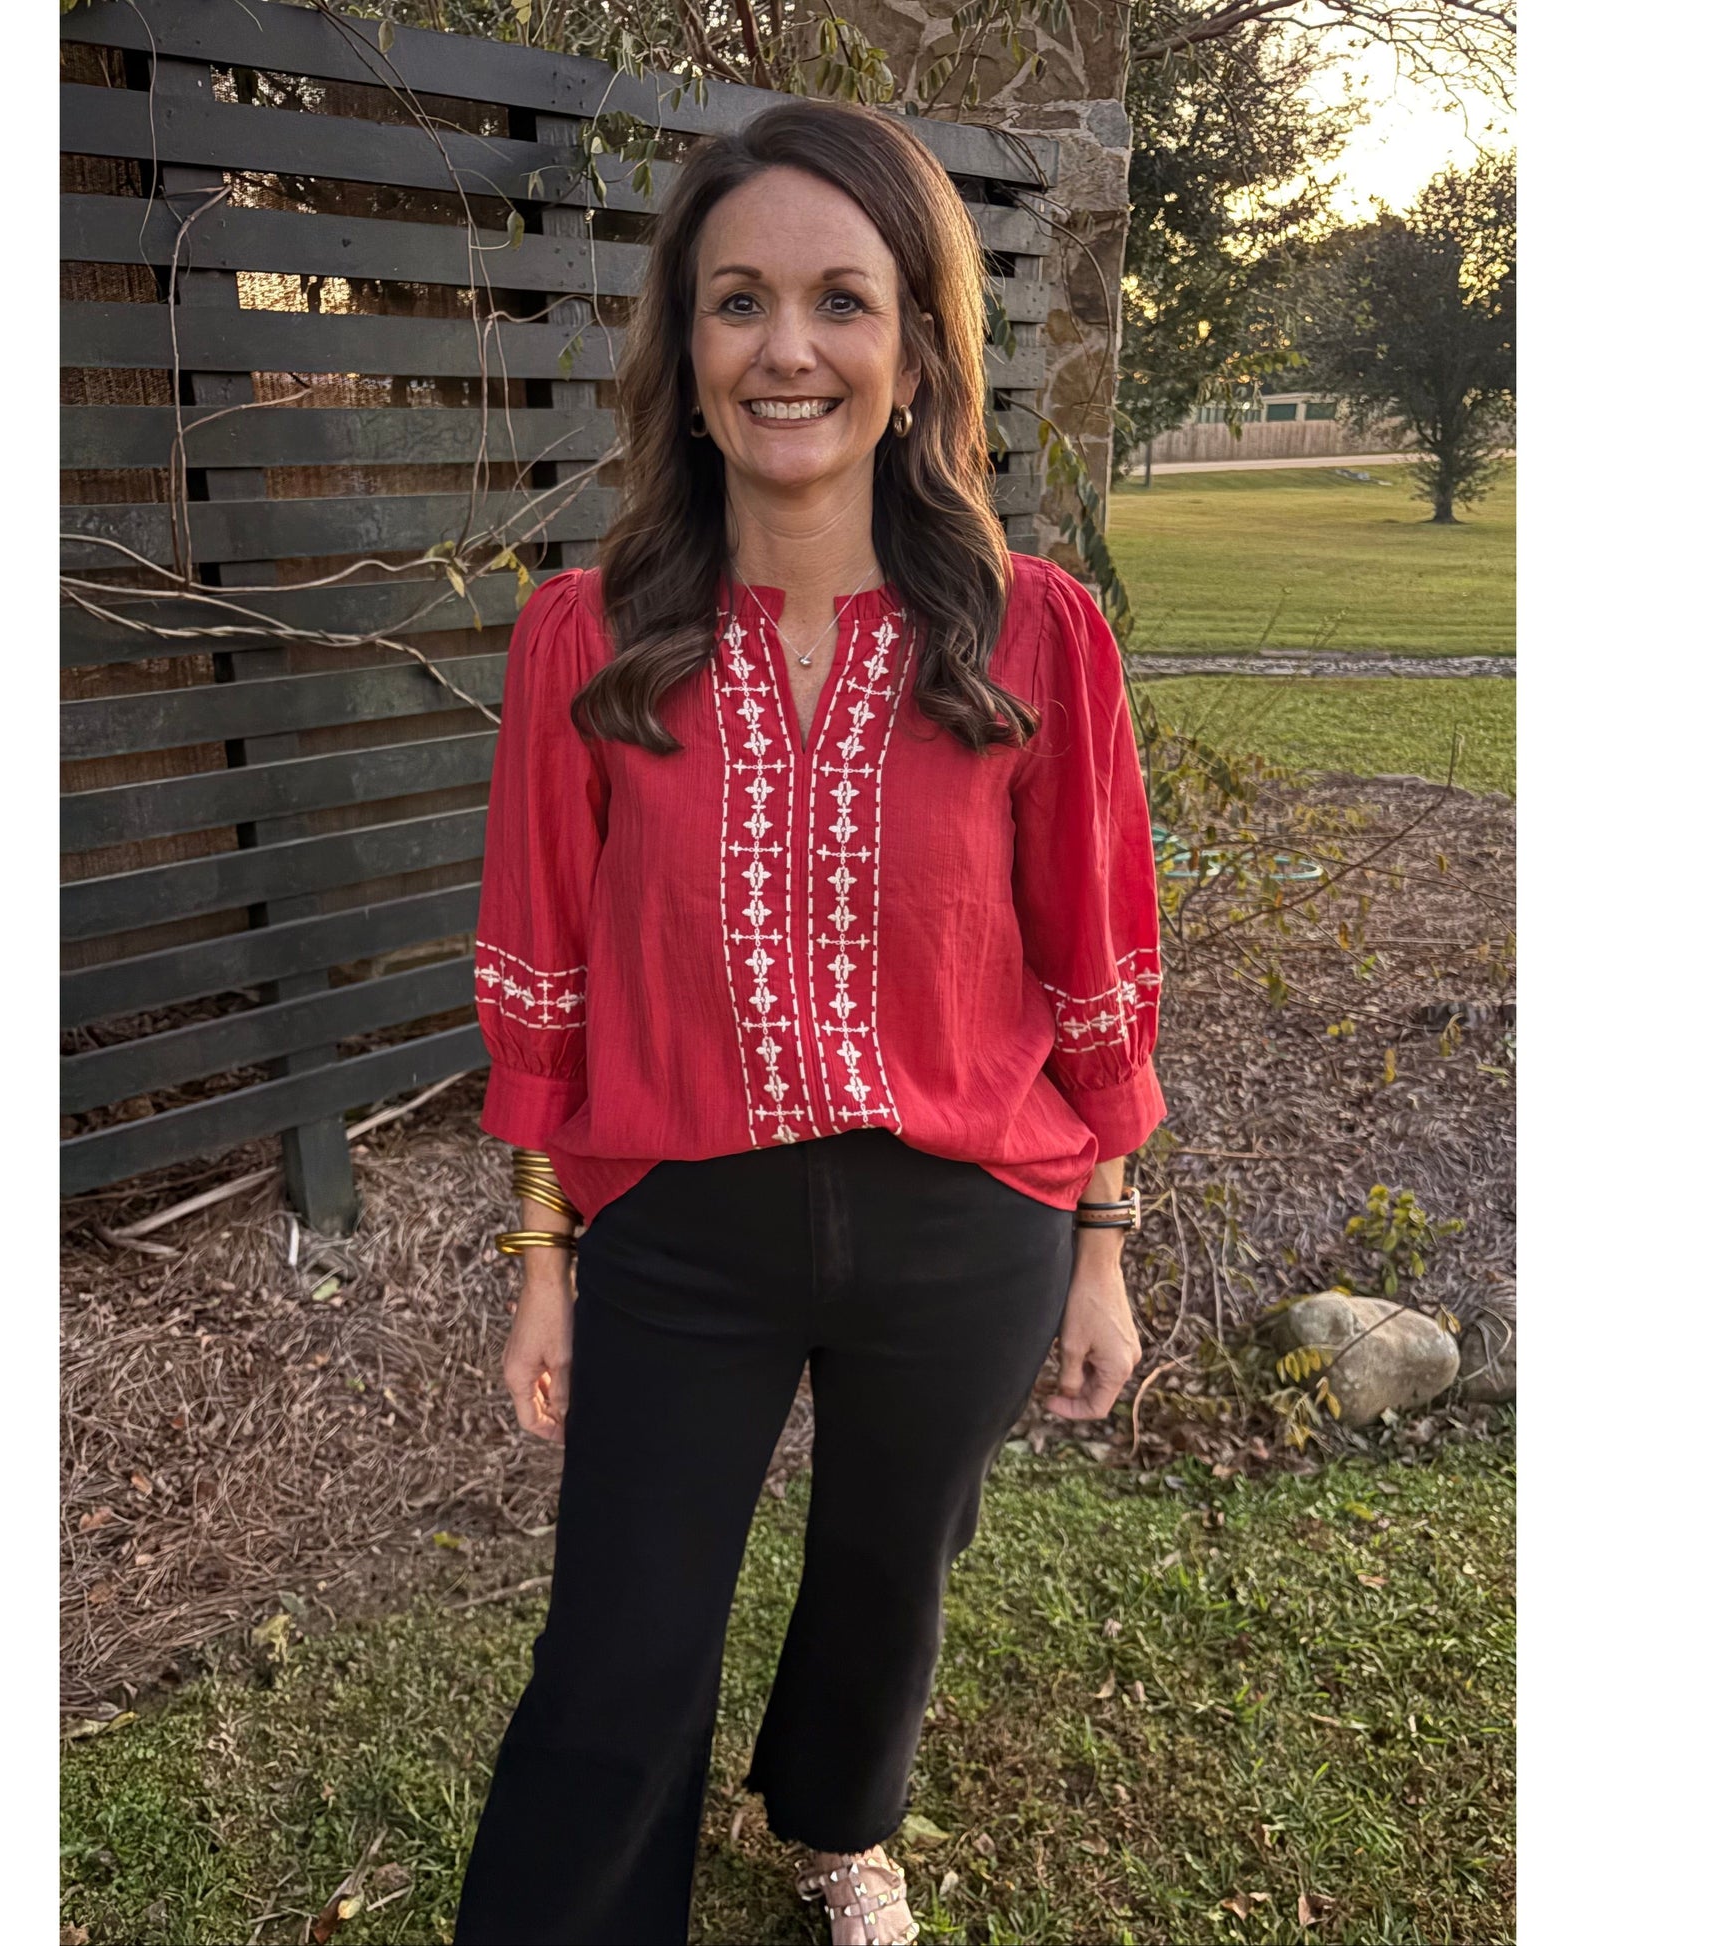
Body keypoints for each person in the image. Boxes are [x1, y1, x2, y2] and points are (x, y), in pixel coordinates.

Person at [451, 95, 1165, 1946]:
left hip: (969, 1222)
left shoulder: (1034, 638)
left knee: (885, 1578)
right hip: (684, 1225)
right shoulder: (583, 643)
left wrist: (1098, 1242)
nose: (789, 348)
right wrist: (545, 1256)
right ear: (684, 356)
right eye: (738, 302)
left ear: (917, 350)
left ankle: (843, 1823)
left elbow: (1089, 963)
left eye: (842, 301)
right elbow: (546, 977)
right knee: (616, 1645)